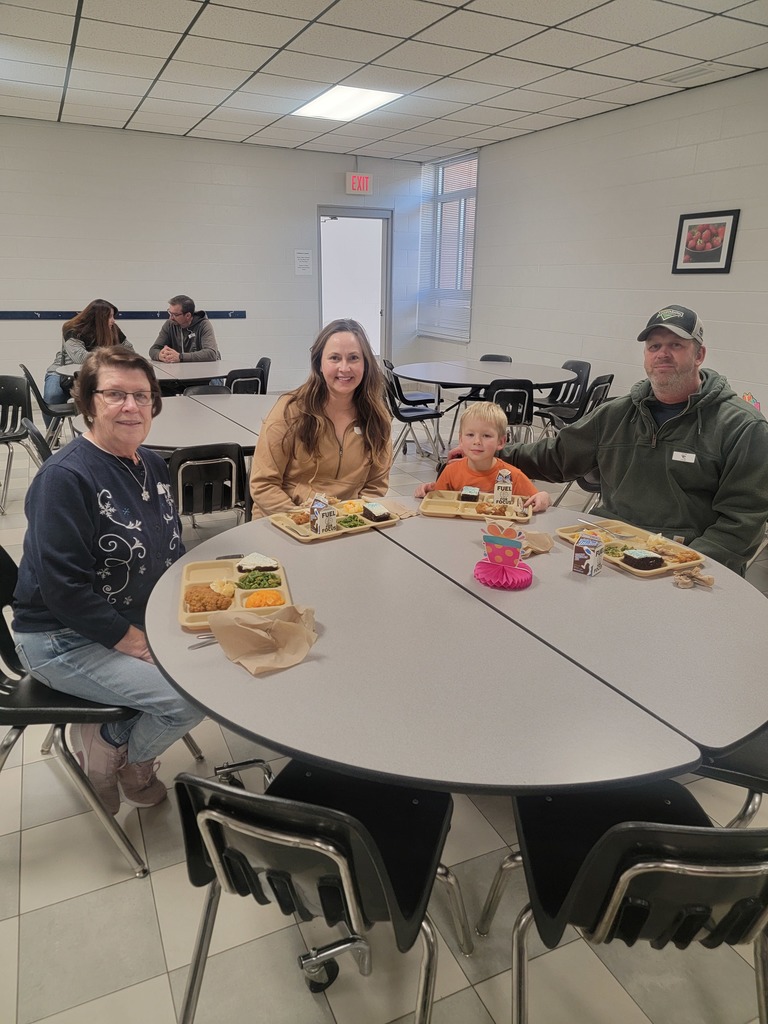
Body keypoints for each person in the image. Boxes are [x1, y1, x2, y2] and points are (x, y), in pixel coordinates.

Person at [13, 346, 204, 814]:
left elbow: (168, 548)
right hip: (63, 639)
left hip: (133, 617)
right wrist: (135, 640)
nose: (131, 406)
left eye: (141, 395)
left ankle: (118, 736)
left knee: (220, 666)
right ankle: (113, 747)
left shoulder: (153, 465)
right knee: (192, 698)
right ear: (88, 402)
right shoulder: (65, 477)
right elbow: (63, 590)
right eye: (114, 394)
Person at [501, 304, 768, 575]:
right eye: (654, 346)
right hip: (610, 551)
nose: (663, 354)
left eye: (676, 345)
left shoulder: (743, 427)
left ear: (699, 355)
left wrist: (685, 563)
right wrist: (493, 454)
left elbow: (743, 521)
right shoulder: (615, 413)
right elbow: (556, 457)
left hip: (684, 563)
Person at [250, 318, 392, 517]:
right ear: (319, 364)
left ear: (366, 364)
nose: (344, 368)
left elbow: (375, 487)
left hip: (345, 523)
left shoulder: (378, 418)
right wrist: (308, 519)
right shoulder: (290, 410)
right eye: (334, 358)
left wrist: (349, 520)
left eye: (353, 358)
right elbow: (263, 484)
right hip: (284, 521)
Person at [415, 401, 551, 512]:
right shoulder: (450, 472)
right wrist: (426, 492)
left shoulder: (513, 476)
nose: (477, 441)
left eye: (486, 436)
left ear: (501, 442)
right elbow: (438, 504)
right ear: (461, 440)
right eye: (470, 435)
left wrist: (544, 497)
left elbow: (536, 499)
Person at [43, 298, 131, 410]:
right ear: (98, 318)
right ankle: (51, 428)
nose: (113, 321)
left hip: (94, 373)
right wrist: (111, 354)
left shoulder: (113, 329)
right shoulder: (72, 329)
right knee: (53, 396)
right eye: (110, 317)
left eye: (113, 316)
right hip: (61, 372)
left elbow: (130, 350)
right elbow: (80, 358)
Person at [149, 294, 220, 363]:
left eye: (175, 315)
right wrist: (160, 355)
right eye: (170, 313)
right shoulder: (169, 324)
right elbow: (153, 349)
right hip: (180, 371)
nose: (171, 318)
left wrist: (180, 357)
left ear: (188, 315)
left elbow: (211, 353)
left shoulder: (203, 324)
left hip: (205, 370)